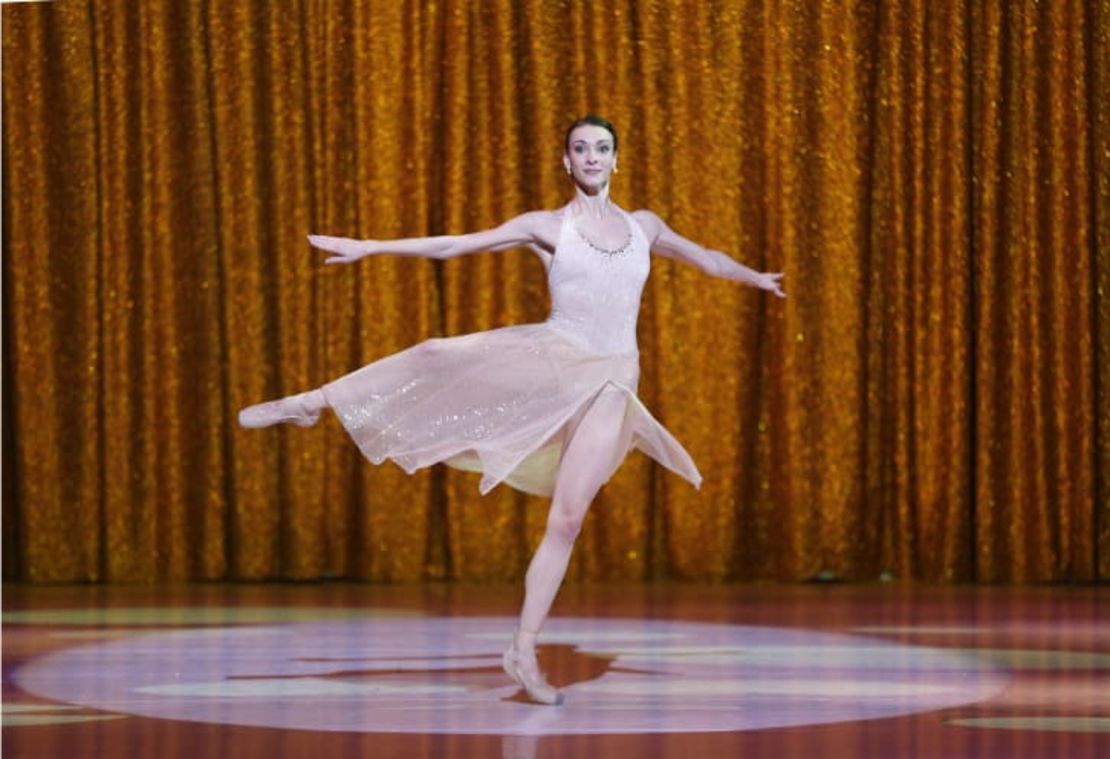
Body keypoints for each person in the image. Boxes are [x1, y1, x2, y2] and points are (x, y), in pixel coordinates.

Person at [239, 114, 786, 705]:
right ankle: (316, 403)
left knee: (568, 520)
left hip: (612, 383)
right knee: (436, 352)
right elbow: (455, 246)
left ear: (617, 159)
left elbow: (706, 257)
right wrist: (370, 247)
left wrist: (755, 277)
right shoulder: (547, 227)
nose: (593, 158)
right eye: (581, 149)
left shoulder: (644, 226)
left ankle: (522, 649)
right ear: (566, 161)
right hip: (554, 357)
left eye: (603, 149)